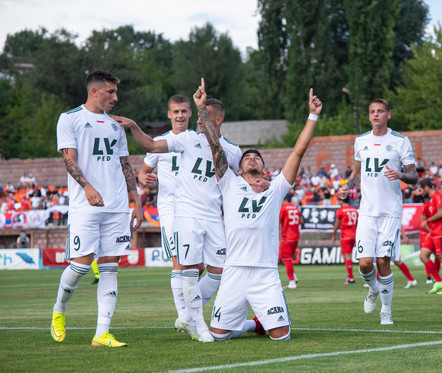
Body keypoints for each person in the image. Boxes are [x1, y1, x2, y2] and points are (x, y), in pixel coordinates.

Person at [115, 95, 266, 342]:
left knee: (218, 270)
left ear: (217, 119)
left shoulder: (232, 150)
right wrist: (134, 127)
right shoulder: (187, 139)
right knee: (187, 269)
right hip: (186, 213)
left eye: (201, 115)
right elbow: (152, 147)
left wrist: (264, 185)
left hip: (214, 215)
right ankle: (197, 324)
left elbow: (243, 178)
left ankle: (185, 315)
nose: (196, 120)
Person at [194, 78, 322, 341]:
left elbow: (298, 152)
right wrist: (200, 110)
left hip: (264, 271)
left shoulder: (275, 189)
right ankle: (254, 325)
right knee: (218, 336)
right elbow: (216, 146)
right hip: (234, 270)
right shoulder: (229, 183)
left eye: (257, 157)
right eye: (247, 157)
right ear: (239, 169)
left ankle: (263, 323)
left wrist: (312, 115)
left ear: (264, 168)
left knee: (281, 337)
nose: (252, 157)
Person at [51, 70, 143, 347]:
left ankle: (101, 333)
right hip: (86, 206)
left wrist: (136, 202)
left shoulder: (117, 125)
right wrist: (88, 187)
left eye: (116, 92)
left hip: (116, 207)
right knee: (80, 267)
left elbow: (125, 165)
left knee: (110, 269)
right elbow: (69, 160)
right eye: (110, 92)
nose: (116, 97)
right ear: (94, 91)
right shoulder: (70, 119)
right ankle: (59, 309)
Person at [338, 98, 418, 325]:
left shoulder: (401, 141)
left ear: (388, 115)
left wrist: (400, 175)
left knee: (383, 261)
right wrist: (347, 187)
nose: (376, 115)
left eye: (380, 111)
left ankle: (386, 312)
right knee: (364, 264)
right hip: (367, 212)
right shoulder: (361, 141)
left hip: (390, 213)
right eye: (372, 111)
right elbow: (356, 174)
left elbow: (414, 176)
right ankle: (373, 289)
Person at [137, 94, 204, 337]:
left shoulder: (198, 140)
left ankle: (187, 315)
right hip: (171, 208)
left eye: (184, 111)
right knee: (180, 264)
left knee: (201, 264)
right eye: (175, 111)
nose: (180, 115)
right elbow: (142, 173)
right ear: (169, 114)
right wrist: (146, 178)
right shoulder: (159, 141)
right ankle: (187, 317)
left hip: (196, 206)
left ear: (190, 113)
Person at [417, 179, 442, 295]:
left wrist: (427, 221)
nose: (419, 192)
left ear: (426, 188)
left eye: (420, 190)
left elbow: (441, 213)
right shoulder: (431, 200)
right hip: (434, 232)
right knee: (423, 256)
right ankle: (438, 281)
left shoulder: (438, 196)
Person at [331, 196, 358, 284]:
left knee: (346, 257)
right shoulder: (354, 210)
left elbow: (336, 224)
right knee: (350, 256)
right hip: (354, 235)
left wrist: (334, 235)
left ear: (342, 201)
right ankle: (350, 275)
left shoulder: (341, 210)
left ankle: (351, 277)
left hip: (345, 236)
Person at [279, 195, 302, 289]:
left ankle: (292, 281)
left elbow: (278, 220)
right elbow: (301, 220)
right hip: (296, 236)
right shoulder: (295, 207)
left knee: (285, 258)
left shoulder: (283, 208)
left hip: (287, 237)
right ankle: (294, 276)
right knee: (287, 258)